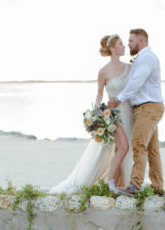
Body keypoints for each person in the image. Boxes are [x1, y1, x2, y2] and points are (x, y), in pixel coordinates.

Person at [48, 34, 134, 194]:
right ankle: (111, 184)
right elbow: (99, 94)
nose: (124, 47)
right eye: (121, 44)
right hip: (114, 114)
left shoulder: (129, 67)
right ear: (112, 48)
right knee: (123, 147)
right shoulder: (103, 72)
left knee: (122, 149)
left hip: (129, 112)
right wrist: (96, 116)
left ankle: (120, 182)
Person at [108, 28, 164, 196]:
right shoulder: (142, 58)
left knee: (139, 144)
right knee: (152, 149)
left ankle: (135, 185)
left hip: (149, 107)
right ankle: (157, 187)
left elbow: (136, 83)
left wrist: (118, 99)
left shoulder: (147, 58)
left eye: (131, 41)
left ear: (141, 41)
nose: (128, 44)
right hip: (146, 108)